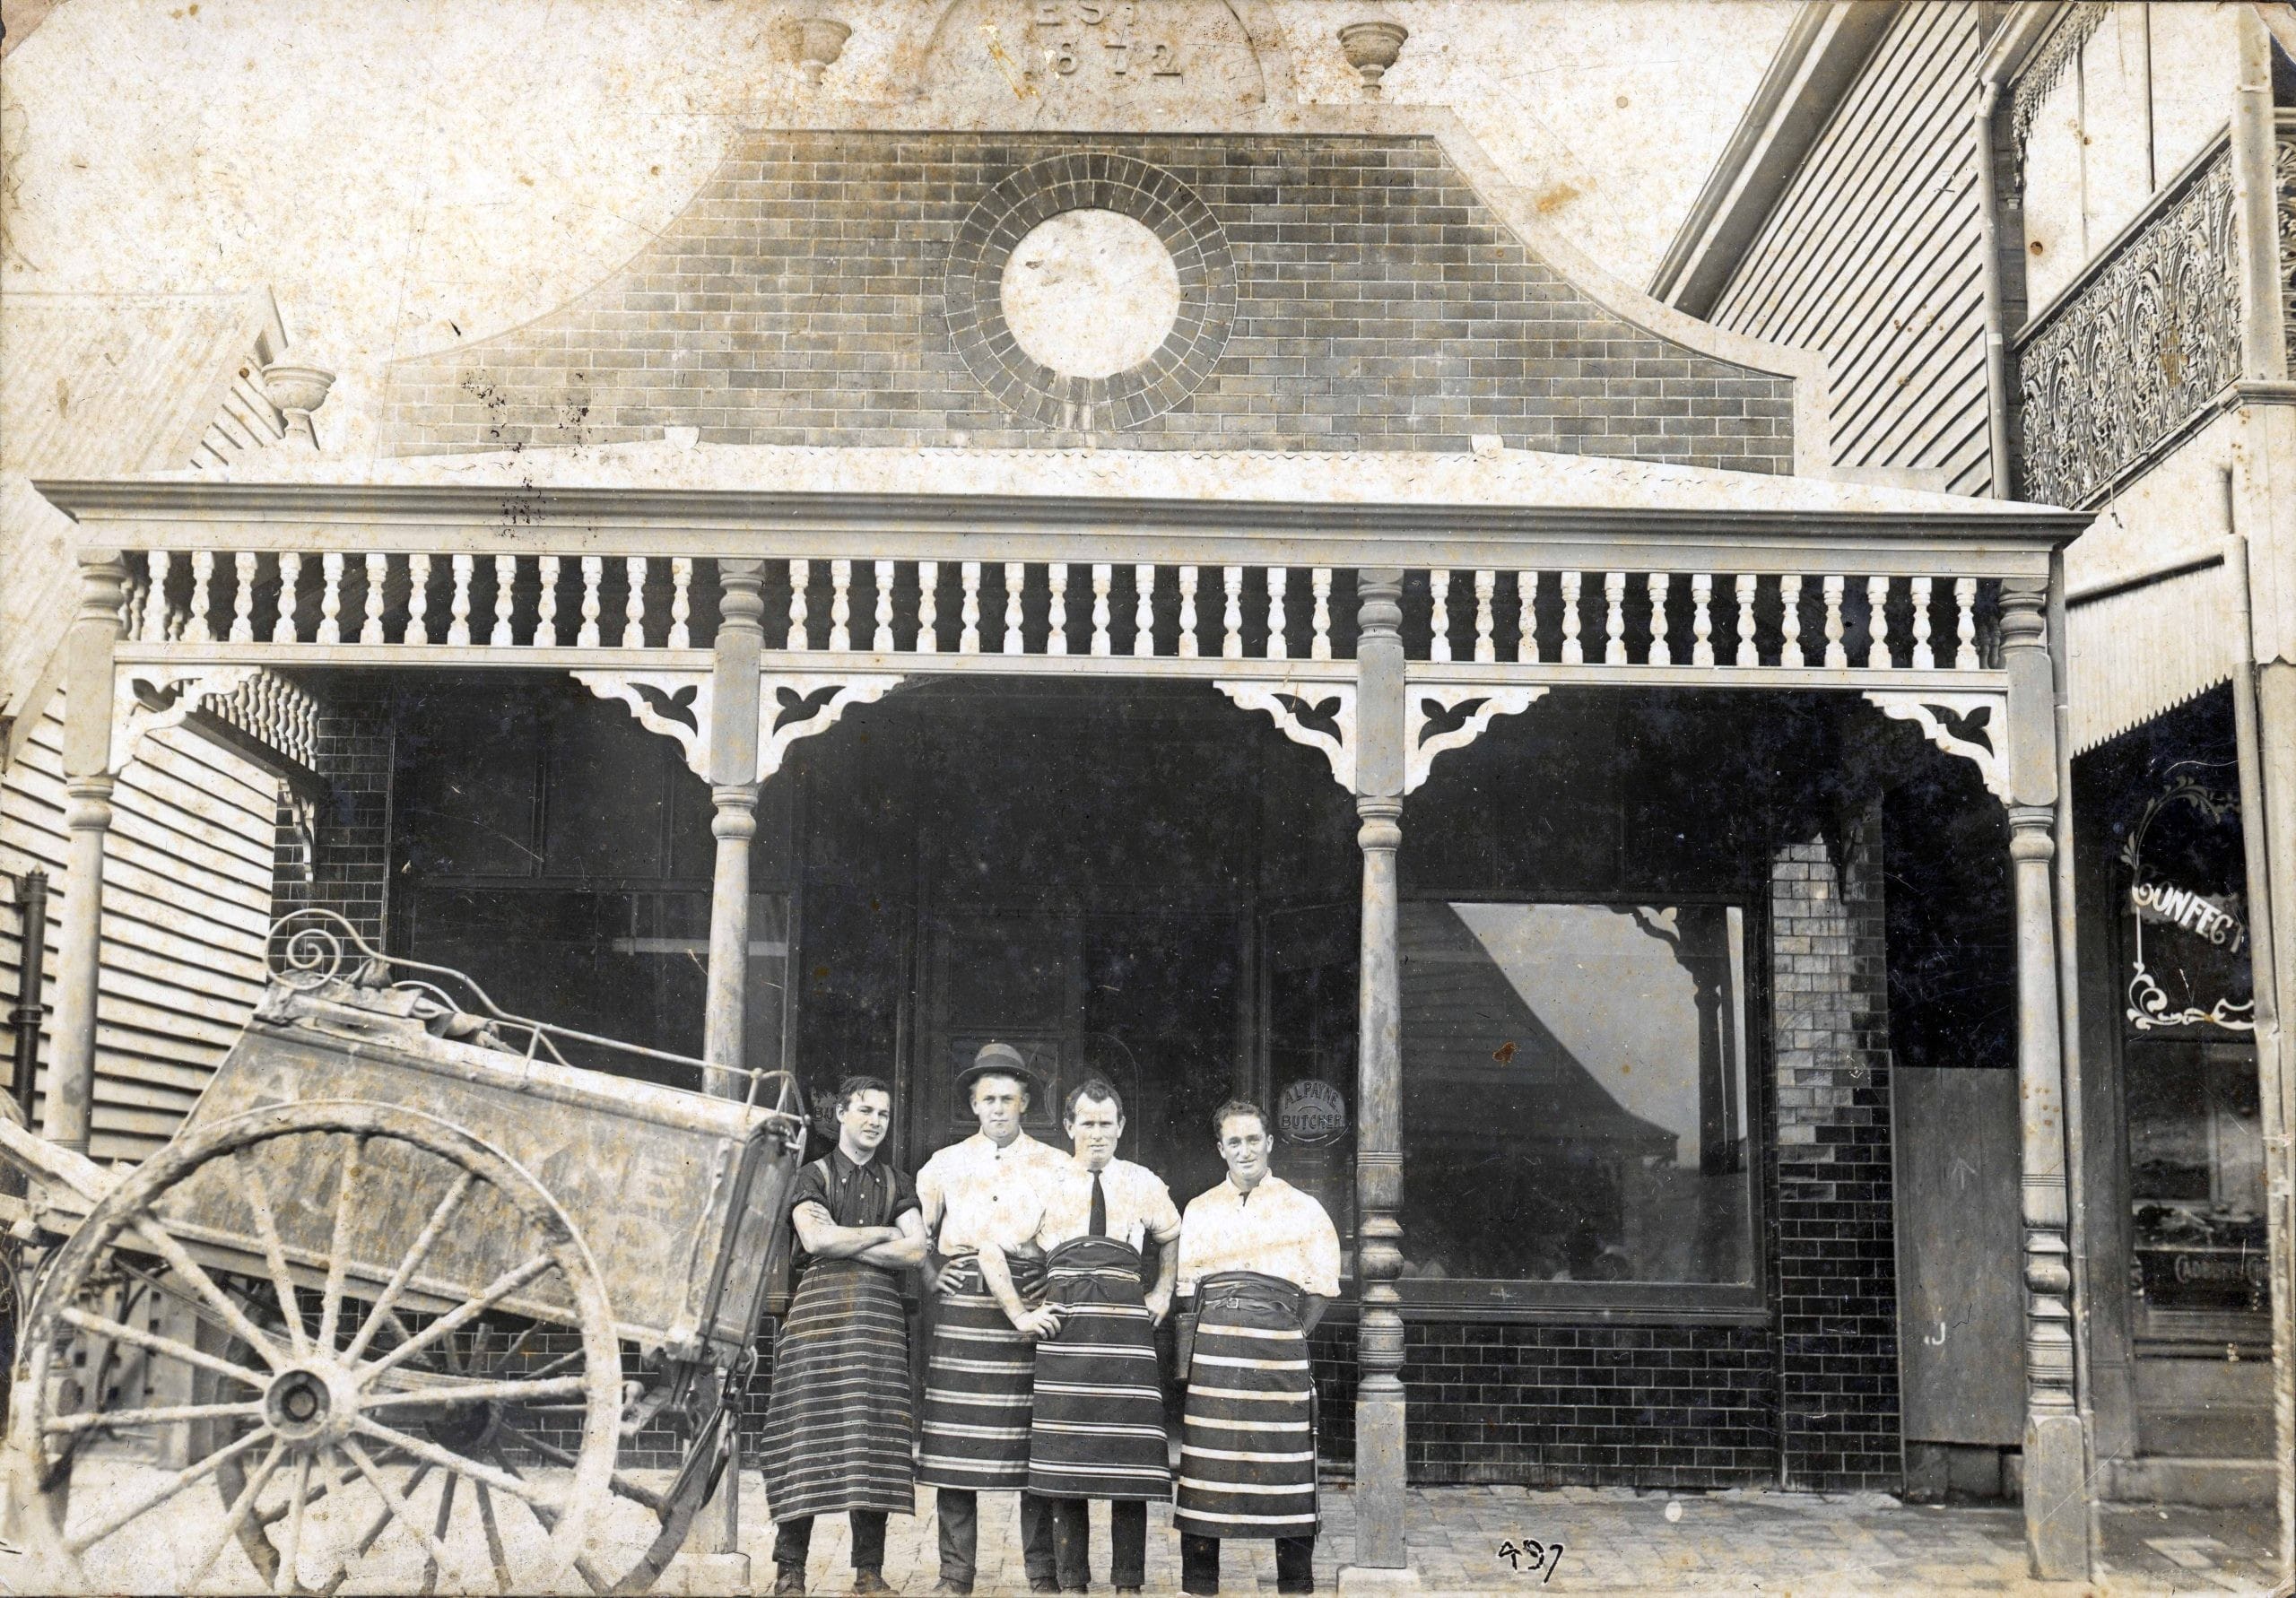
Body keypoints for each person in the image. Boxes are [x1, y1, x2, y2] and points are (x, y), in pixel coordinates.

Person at [977, 1078, 1180, 1596]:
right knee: (1067, 1465)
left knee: (1129, 1465)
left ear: (1121, 1127)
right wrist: (1021, 1314)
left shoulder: (1142, 1181)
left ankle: (1129, 1584)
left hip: (1127, 1335)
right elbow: (991, 1249)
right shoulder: (1041, 1182)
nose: (1096, 1134)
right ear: (1068, 1127)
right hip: (1067, 1339)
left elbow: (1171, 1235)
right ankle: (1071, 1583)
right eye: (1086, 1123)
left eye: (1106, 1123)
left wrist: (1161, 1291)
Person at [759, 1075, 929, 1597]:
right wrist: (884, 1233)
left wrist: (844, 1241)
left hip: (877, 1324)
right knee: (805, 1438)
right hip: (817, 1320)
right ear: (841, 1115)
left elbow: (918, 1250)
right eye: (865, 1110)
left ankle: (869, 1573)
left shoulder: (898, 1182)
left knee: (871, 1438)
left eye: (883, 1113)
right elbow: (814, 1237)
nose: (875, 1121)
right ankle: (790, 1571)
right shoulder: (810, 1176)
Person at [916, 1042, 1072, 1594]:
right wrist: (934, 1274)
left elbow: (1067, 1239)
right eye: (989, 1099)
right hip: (965, 1313)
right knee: (956, 1450)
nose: (999, 1108)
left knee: (1035, 1447)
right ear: (974, 1105)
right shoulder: (945, 1164)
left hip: (1031, 1302)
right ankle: (955, 1578)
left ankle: (1042, 1576)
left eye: (1009, 1097)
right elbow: (918, 1236)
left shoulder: (1056, 1165)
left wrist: (1043, 1289)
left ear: (1025, 1101)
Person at [1172, 1099, 1342, 1596]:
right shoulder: (1200, 1210)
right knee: (1207, 1469)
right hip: (1216, 1359)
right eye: (1234, 1142)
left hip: (1278, 1358)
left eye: (1253, 1140)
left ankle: (1294, 1582)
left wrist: (1283, 1336)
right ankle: (1200, 1584)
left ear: (1269, 1143)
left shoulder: (1303, 1208)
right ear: (1220, 1149)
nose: (1244, 1150)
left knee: (1285, 1467)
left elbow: (1321, 1290)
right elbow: (1188, 1295)